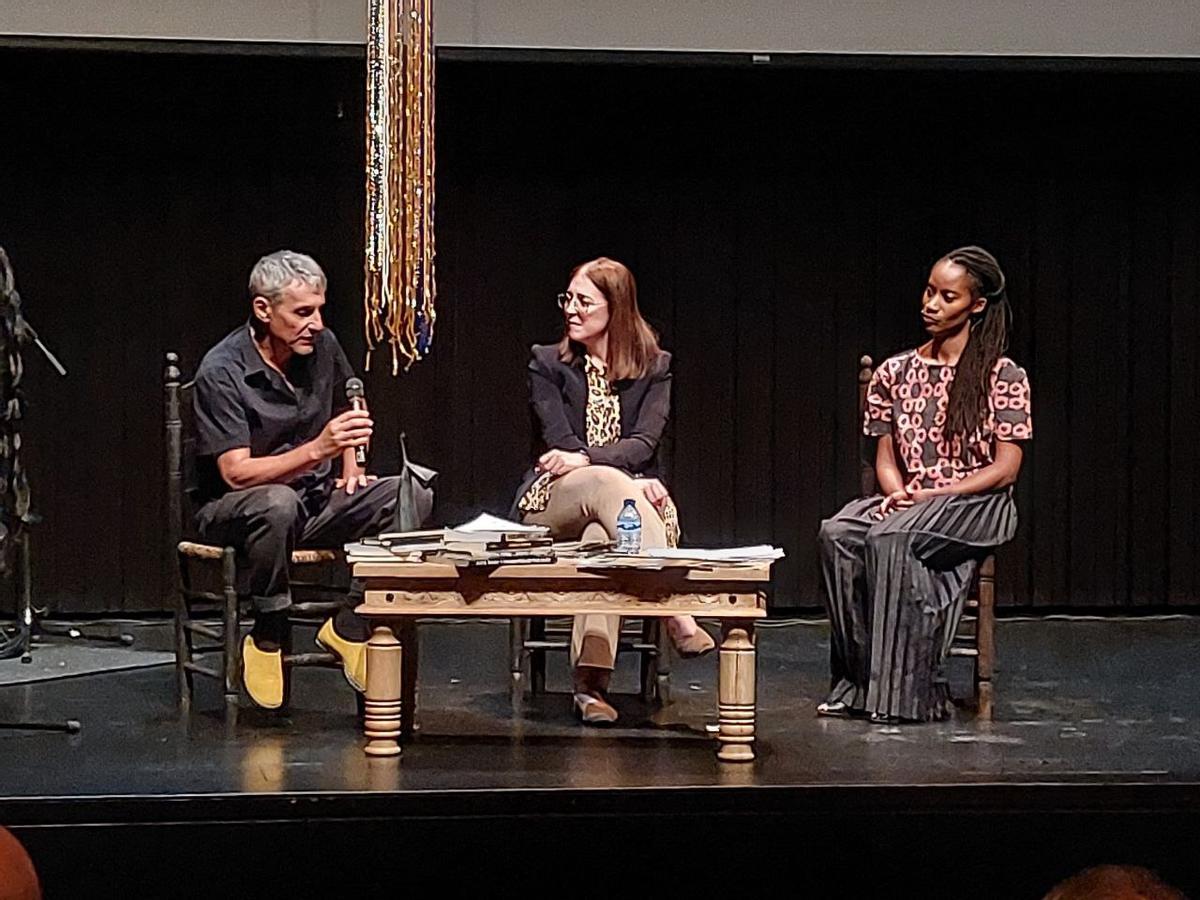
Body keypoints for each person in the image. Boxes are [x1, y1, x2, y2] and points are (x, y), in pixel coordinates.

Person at [817, 246, 1032, 723]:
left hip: (977, 502)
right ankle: (858, 682)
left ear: (975, 306)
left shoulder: (1001, 374)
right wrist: (894, 491)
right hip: (912, 499)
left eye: (947, 296)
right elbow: (886, 456)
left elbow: (1006, 468)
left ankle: (905, 695)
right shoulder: (894, 372)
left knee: (892, 535)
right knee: (838, 533)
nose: (931, 304)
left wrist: (934, 495)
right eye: (929, 291)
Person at [193, 250, 403, 709]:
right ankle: (268, 632)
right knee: (276, 502)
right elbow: (235, 472)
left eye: (320, 309)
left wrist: (352, 464)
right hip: (238, 510)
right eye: (303, 312)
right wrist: (319, 450)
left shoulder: (322, 347)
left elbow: (352, 400)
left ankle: (350, 625)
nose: (317, 322)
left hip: (313, 500)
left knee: (407, 491)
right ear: (264, 310)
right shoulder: (222, 369)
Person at [513, 257, 714, 725]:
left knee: (601, 542)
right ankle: (673, 608)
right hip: (552, 499)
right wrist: (614, 472)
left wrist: (600, 465)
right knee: (610, 482)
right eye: (568, 299)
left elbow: (645, 441)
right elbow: (560, 444)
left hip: (626, 507)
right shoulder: (547, 362)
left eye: (584, 301)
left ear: (616, 308)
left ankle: (590, 688)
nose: (571, 310)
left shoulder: (655, 367)